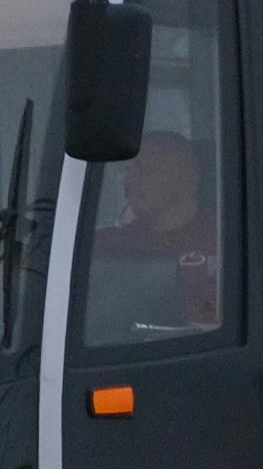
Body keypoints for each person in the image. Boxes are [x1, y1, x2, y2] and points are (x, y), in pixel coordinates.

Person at [86, 129, 223, 340]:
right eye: (128, 171)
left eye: (141, 170)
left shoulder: (228, 239)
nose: (128, 182)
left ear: (183, 175)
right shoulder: (106, 246)